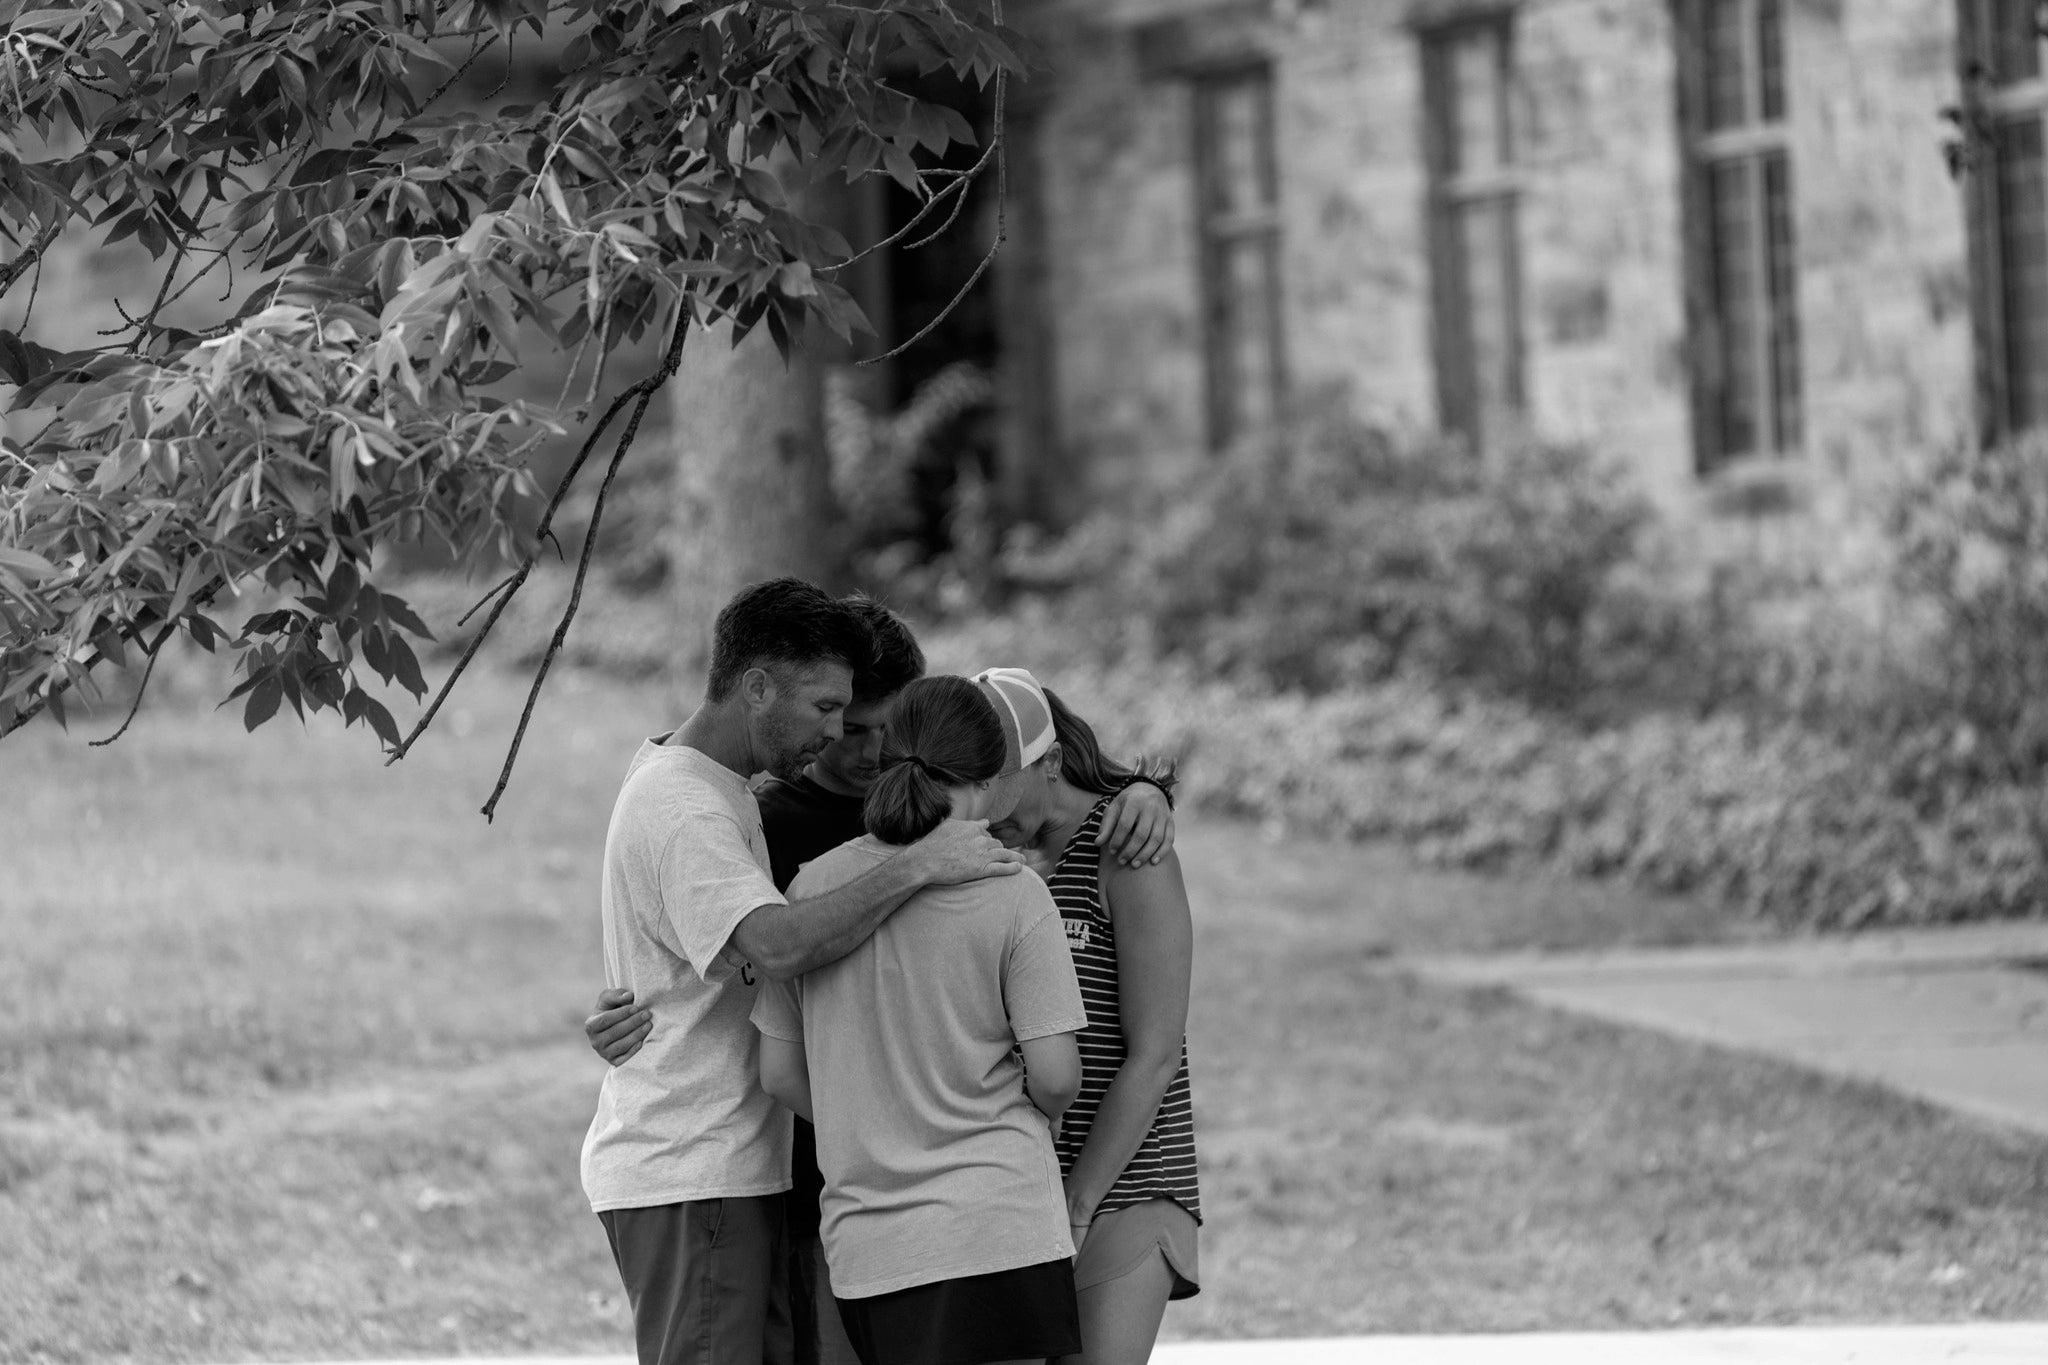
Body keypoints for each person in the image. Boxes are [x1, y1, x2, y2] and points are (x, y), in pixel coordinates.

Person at [584, 594, 1175, 1365]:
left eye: (870, 725)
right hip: (744, 1174)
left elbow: (760, 1035)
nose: (844, 739)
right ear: (758, 687)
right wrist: (921, 865)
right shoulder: (737, 810)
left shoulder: (730, 801)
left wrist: (1136, 788)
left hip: (816, 1193)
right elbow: (770, 943)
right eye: (833, 713)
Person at [752, 672, 1088, 1365]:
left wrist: (871, 1114)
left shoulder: (812, 887)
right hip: (1003, 1225)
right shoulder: (1012, 889)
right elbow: (1056, 1077)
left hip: (874, 1246)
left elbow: (780, 1071)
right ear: (994, 777)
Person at [982, 672, 1203, 1365]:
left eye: (999, 783)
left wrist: (1078, 1201)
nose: (984, 806)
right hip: (1024, 1189)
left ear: (1049, 761)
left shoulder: (1126, 847)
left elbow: (1155, 1053)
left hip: (1124, 1184)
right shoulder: (995, 861)